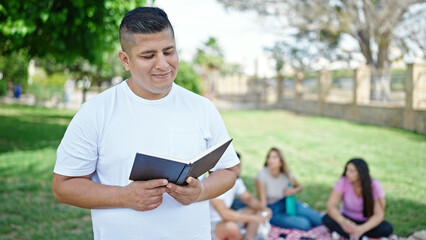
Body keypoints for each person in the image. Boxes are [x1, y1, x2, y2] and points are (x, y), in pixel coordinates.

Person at [51, 7, 239, 240]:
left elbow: (229, 170)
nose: (163, 64)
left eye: (169, 52)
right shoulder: (96, 111)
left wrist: (201, 192)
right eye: (148, 56)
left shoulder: (202, 107)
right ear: (125, 60)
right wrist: (124, 196)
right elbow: (63, 185)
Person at [323, 158, 393, 239]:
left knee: (387, 228)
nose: (347, 173)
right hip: (347, 220)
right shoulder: (343, 181)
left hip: (366, 222)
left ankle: (354, 234)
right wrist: (342, 221)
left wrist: (362, 228)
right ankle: (359, 236)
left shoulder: (374, 185)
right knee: (326, 218)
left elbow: (379, 214)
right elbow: (330, 206)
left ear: (361, 173)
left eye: (351, 171)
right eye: (347, 170)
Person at [255, 147, 322, 230]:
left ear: (281, 162)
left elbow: (299, 187)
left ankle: (298, 214)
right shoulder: (262, 175)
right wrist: (265, 213)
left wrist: (293, 190)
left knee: (319, 220)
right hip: (273, 210)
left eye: (274, 157)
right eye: (269, 157)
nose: (270, 160)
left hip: (287, 203)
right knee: (305, 224)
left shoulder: (286, 174)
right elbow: (263, 203)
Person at [210, 152, 272, 240]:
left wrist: (263, 208)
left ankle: (248, 238)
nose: (240, 170)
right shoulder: (215, 184)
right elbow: (224, 214)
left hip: (225, 220)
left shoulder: (237, 181)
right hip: (212, 224)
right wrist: (254, 218)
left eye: (240, 166)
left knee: (255, 211)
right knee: (232, 228)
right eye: (238, 166)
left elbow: (248, 198)